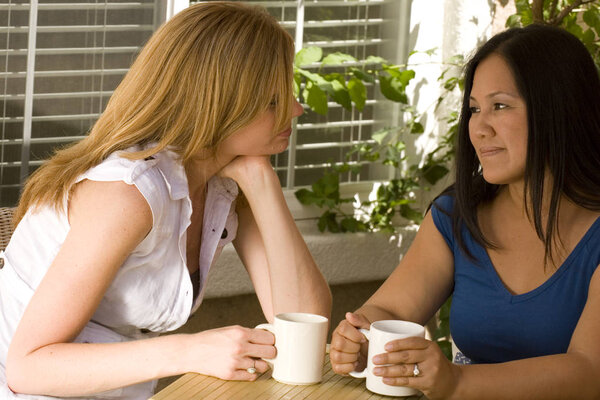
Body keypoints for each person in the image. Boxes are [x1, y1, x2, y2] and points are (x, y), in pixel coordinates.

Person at [0, 2, 332, 399]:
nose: (296, 110)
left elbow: (308, 321)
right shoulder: (128, 193)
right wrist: (190, 350)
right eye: (274, 101)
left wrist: (261, 182)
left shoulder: (224, 180)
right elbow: (27, 368)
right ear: (218, 103)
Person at [330, 23, 600, 400]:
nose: (478, 128)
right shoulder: (458, 214)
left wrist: (456, 382)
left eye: (500, 106)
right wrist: (362, 334)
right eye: (474, 109)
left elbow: (590, 372)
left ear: (558, 108)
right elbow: (390, 307)